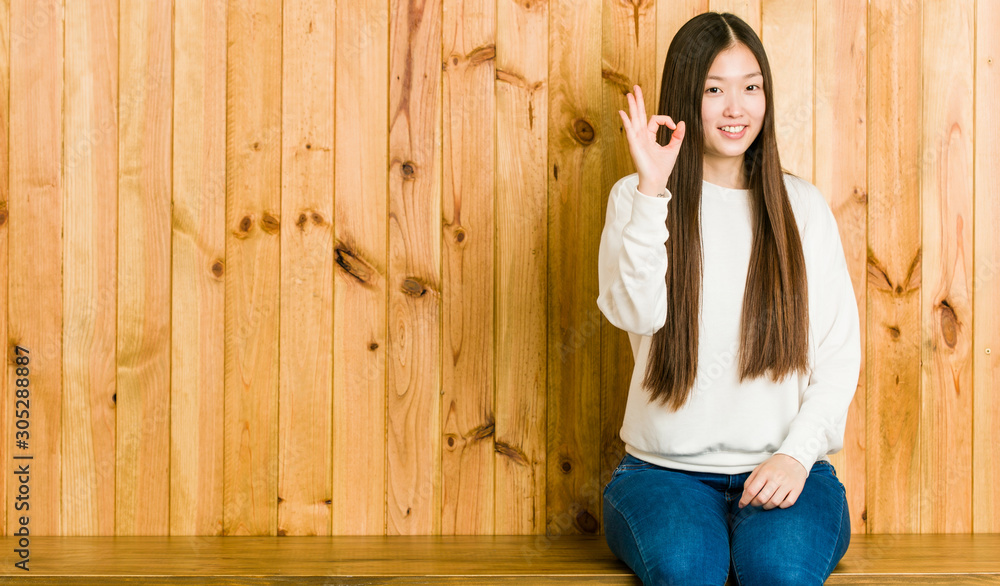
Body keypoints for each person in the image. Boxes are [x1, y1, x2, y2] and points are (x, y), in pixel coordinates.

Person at [598, 11, 860, 586]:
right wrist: (651, 190)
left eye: (750, 87)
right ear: (687, 96)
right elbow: (634, 313)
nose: (735, 107)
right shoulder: (637, 198)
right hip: (662, 475)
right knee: (689, 570)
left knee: (780, 572)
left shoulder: (803, 208)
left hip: (787, 468)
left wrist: (796, 454)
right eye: (714, 89)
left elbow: (837, 357)